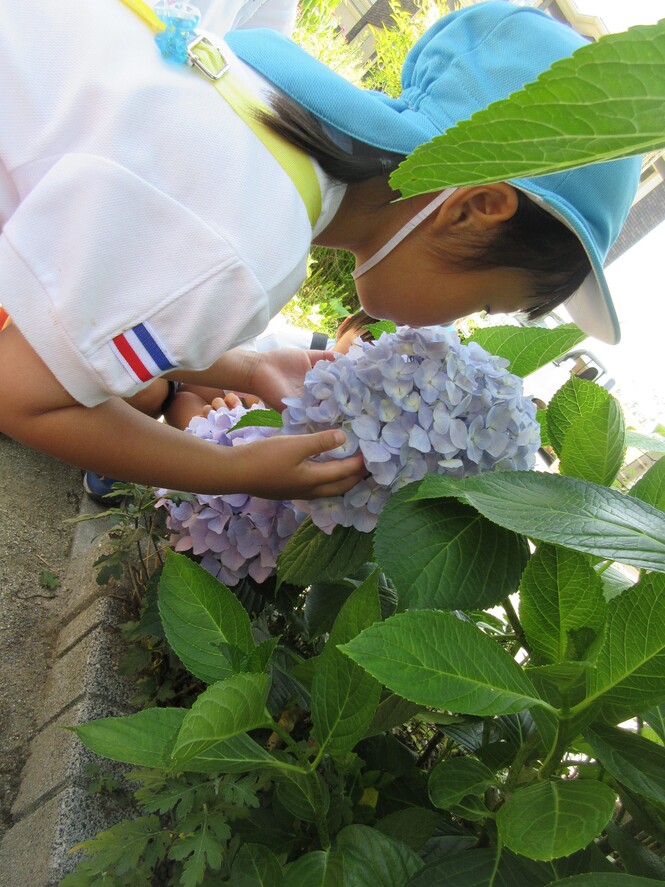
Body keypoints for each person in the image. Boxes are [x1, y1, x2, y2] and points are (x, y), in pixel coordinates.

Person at [0, 0, 641, 500]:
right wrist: (228, 469)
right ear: (474, 208)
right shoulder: (255, 242)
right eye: (488, 300)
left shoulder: (248, 112)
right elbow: (20, 393)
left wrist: (250, 371)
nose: (451, 326)